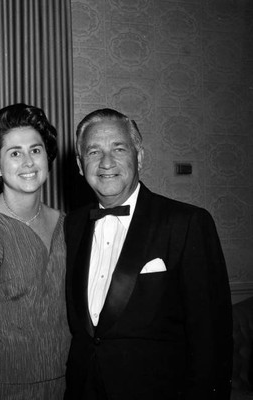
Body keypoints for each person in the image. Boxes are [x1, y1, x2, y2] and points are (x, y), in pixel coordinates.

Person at [64, 108, 233, 399]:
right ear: (80, 165)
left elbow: (211, 339)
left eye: (118, 148)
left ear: (139, 156)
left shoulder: (186, 222)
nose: (106, 162)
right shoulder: (72, 224)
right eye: (93, 152)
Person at [0, 103, 71, 399]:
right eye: (15, 153)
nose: (28, 162)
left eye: (35, 150)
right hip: (3, 389)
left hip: (65, 383)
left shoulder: (67, 224)